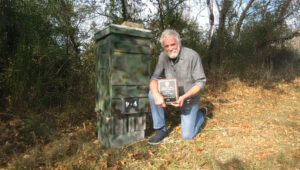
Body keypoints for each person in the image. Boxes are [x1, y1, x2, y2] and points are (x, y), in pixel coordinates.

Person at [148, 29, 207, 144]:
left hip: (189, 99)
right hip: (170, 95)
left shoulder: (192, 56)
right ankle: (161, 130)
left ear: (179, 42)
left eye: (173, 44)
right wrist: (156, 95)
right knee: (151, 93)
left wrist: (184, 97)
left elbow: (200, 82)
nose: (170, 48)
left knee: (187, 135)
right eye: (166, 46)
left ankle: (201, 113)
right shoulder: (163, 57)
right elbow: (154, 78)